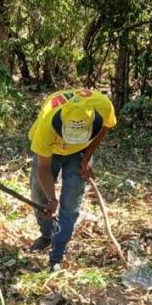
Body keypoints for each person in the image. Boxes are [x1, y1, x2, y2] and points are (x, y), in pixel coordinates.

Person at [28, 88, 117, 271]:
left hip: (79, 153)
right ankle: (46, 235)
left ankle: (57, 254)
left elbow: (107, 126)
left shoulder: (103, 106)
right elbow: (43, 169)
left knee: (70, 203)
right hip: (52, 151)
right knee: (40, 198)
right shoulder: (46, 124)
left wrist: (86, 157)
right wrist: (51, 199)